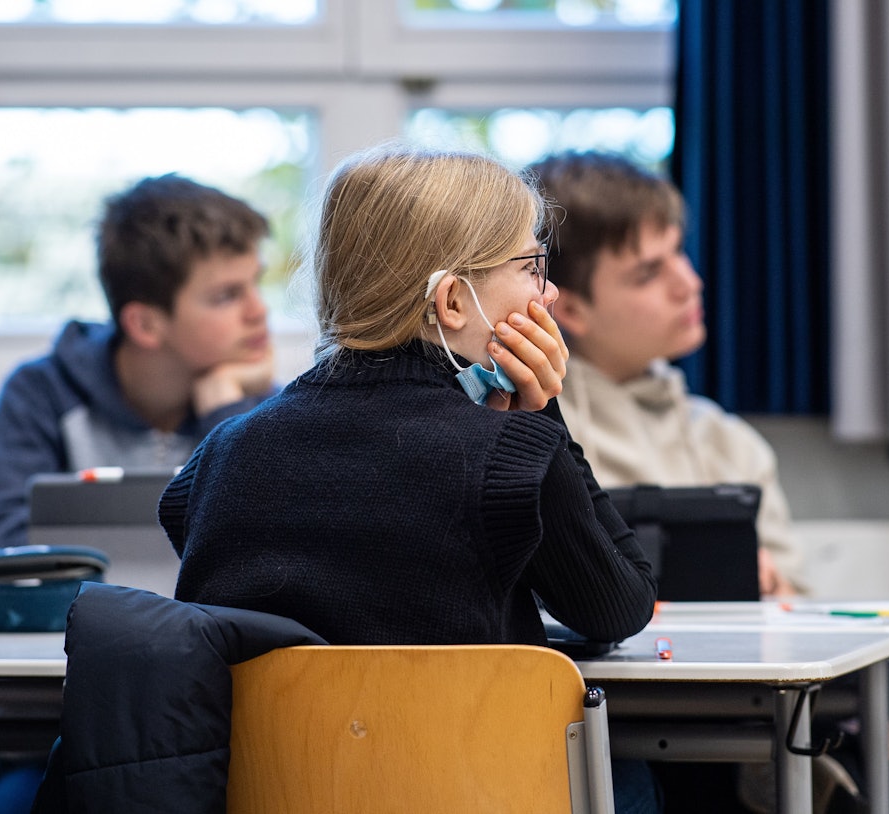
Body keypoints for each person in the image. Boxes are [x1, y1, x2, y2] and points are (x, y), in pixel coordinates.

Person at [157, 142, 662, 813]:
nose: (549, 293)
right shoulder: (509, 455)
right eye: (530, 266)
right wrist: (545, 417)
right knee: (638, 774)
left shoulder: (220, 453)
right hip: (467, 796)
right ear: (452, 301)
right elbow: (619, 608)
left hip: (270, 797)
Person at [529, 150, 889, 814]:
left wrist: (774, 593)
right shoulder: (541, 437)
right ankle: (866, 742)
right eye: (648, 273)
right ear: (571, 309)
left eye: (679, 255)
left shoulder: (725, 439)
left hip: (786, 700)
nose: (688, 283)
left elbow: (801, 621)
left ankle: (878, 736)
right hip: (678, 723)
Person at [0, 173, 278, 814]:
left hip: (210, 734)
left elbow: (270, 567)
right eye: (227, 295)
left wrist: (225, 413)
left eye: (255, 284)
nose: (259, 311)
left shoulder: (260, 411)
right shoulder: (39, 398)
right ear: (144, 322)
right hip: (52, 732)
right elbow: (3, 567)